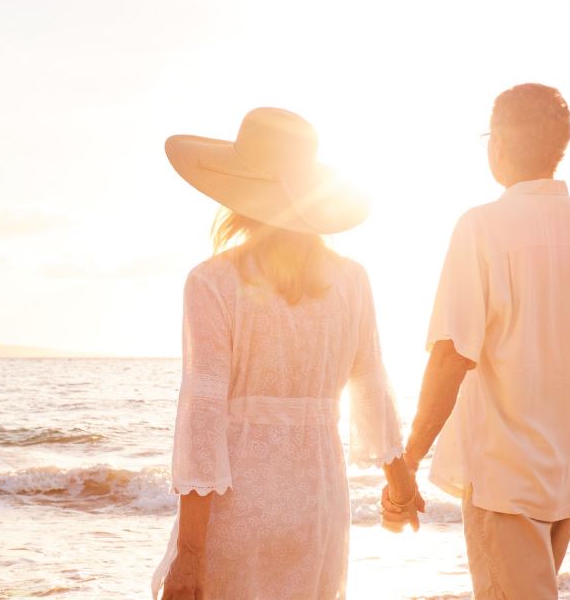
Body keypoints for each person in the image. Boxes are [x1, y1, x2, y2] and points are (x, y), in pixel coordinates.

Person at [381, 84, 570, 599]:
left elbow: (453, 354)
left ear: (497, 142)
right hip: (567, 472)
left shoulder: (482, 227)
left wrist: (408, 460)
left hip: (505, 476)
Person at [152, 107, 412, 599]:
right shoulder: (352, 280)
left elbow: (203, 411)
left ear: (238, 194)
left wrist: (189, 551)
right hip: (318, 506)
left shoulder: (212, 281)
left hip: (237, 511)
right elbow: (371, 383)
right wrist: (400, 483)